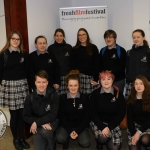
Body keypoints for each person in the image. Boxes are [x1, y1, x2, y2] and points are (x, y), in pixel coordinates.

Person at [0, 30, 30, 150]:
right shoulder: (3, 54)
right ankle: (15, 139)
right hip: (9, 86)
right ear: (9, 40)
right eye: (14, 39)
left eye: (18, 39)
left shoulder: (24, 54)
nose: (16, 41)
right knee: (14, 115)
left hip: (22, 85)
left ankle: (22, 138)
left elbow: (28, 71)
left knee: (22, 114)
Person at [89, 70, 126, 150]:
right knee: (103, 138)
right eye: (103, 79)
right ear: (100, 81)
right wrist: (102, 126)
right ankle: (100, 143)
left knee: (115, 148)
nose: (106, 81)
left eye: (109, 79)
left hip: (113, 123)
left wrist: (109, 127)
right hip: (98, 122)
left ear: (113, 80)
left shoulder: (118, 94)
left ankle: (108, 138)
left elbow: (121, 113)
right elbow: (92, 113)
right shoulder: (95, 94)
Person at [23, 70, 59, 150]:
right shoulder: (30, 98)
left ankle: (52, 144)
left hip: (51, 121)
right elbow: (25, 116)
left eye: (44, 82)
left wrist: (37, 122)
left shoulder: (54, 95)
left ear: (47, 83)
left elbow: (53, 115)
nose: (41, 85)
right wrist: (39, 123)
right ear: (35, 83)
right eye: (39, 82)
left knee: (46, 132)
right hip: (38, 125)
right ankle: (45, 139)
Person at [56, 70, 91, 150]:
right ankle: (67, 138)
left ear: (79, 85)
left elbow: (86, 117)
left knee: (86, 143)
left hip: (80, 126)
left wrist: (78, 131)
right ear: (67, 86)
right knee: (60, 138)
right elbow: (61, 116)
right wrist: (69, 130)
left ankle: (78, 135)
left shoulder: (84, 98)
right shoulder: (62, 98)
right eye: (70, 85)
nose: (73, 88)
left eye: (75, 85)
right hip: (66, 126)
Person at [71, 28, 99, 95]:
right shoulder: (75, 49)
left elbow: (97, 64)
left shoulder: (93, 48)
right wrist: (74, 79)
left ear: (87, 35)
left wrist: (96, 79)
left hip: (91, 78)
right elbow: (72, 65)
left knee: (91, 99)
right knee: (80, 99)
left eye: (83, 34)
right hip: (79, 78)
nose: (81, 36)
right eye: (79, 35)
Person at [125, 29, 150, 99]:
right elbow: (127, 69)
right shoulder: (129, 52)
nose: (136, 39)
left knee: (146, 105)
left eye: (138, 37)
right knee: (130, 105)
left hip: (145, 84)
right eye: (134, 37)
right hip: (131, 84)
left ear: (143, 37)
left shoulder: (148, 52)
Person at [127, 75, 150, 150]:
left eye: (141, 83)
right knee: (133, 148)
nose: (138, 86)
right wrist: (134, 134)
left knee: (145, 140)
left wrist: (139, 132)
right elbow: (130, 119)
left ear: (145, 85)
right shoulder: (131, 99)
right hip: (135, 126)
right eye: (136, 84)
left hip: (148, 126)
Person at [47, 28, 72, 95]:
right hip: (55, 78)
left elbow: (71, 62)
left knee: (67, 98)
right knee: (56, 98)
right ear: (54, 36)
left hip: (67, 77)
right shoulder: (50, 48)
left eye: (61, 36)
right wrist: (54, 80)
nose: (59, 38)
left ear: (63, 37)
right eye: (57, 36)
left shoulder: (69, 47)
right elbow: (50, 65)